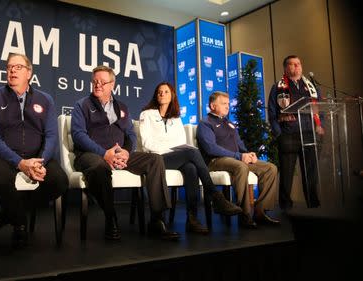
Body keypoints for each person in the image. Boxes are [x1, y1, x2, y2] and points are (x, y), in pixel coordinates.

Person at [71, 65, 180, 241]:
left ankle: (157, 219)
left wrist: (127, 152)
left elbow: (130, 134)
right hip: (91, 154)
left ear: (112, 84)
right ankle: (110, 217)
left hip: (120, 153)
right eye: (95, 82)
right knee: (99, 167)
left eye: (102, 82)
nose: (98, 85)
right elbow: (78, 135)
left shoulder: (122, 107)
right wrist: (104, 153)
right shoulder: (82, 105)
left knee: (155, 160)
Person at [0, 53, 68, 248]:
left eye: (18, 67)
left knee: (59, 181)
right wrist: (19, 163)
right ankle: (20, 223)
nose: (12, 70)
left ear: (29, 73)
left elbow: (52, 136)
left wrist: (41, 161)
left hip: (37, 157)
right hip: (3, 157)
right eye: (9, 67)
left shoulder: (45, 100)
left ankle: (9, 213)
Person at [139, 82, 242, 234]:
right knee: (192, 153)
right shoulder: (146, 114)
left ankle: (192, 218)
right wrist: (169, 146)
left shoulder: (176, 118)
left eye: (166, 91)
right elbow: (147, 143)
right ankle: (215, 195)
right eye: (159, 92)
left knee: (191, 168)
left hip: (175, 156)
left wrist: (171, 146)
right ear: (156, 95)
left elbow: (180, 142)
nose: (162, 94)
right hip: (156, 158)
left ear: (172, 95)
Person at [197, 91, 280, 228]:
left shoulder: (229, 123)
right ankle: (244, 214)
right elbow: (211, 149)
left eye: (228, 104)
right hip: (216, 161)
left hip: (236, 159)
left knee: (270, 168)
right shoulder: (205, 123)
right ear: (212, 106)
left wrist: (249, 154)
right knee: (241, 166)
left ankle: (260, 212)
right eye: (223, 104)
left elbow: (240, 145)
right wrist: (239, 156)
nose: (227, 106)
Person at [268, 55, 323, 210]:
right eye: (292, 64)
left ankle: (313, 205)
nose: (296, 67)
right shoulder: (277, 87)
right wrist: (279, 133)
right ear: (286, 68)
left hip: (309, 134)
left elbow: (320, 108)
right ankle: (285, 207)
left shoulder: (312, 86)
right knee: (286, 174)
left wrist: (320, 126)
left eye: (298, 64)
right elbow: (272, 113)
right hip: (288, 135)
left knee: (310, 173)